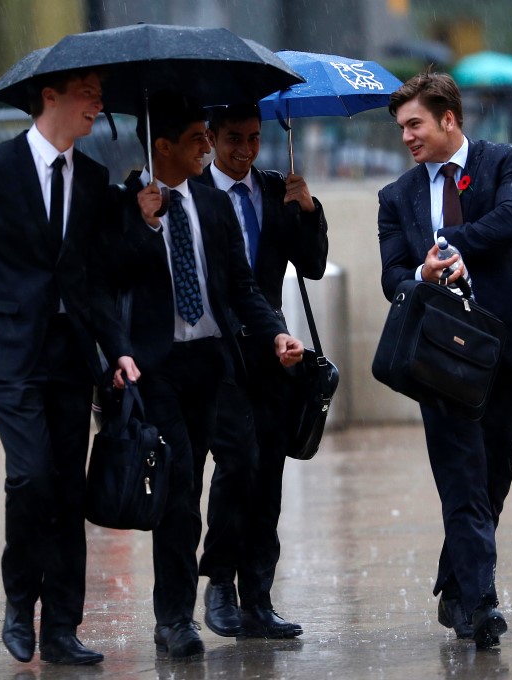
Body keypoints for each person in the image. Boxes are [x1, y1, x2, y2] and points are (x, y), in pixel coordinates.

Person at [0, 68, 136, 665]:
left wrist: (116, 347)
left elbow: (91, 280)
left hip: (71, 355)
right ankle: (20, 605)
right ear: (50, 97)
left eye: (100, 95)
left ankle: (63, 628)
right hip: (7, 353)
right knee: (32, 477)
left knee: (69, 490)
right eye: (88, 94)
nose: (98, 104)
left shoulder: (92, 178)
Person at [376, 69, 512, 649]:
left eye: (415, 124)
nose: (407, 137)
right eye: (401, 128)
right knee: (460, 476)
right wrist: (422, 273)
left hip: (504, 343)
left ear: (448, 118)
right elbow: (391, 272)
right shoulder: (397, 196)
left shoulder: (504, 161)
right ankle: (480, 603)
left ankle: (457, 584)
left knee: (494, 473)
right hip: (435, 354)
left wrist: (454, 246)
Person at [102, 91, 305, 659]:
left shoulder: (211, 204)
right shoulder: (124, 204)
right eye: (197, 139)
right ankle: (174, 618)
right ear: (161, 146)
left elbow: (241, 286)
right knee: (180, 489)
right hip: (159, 367)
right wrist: (142, 226)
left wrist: (275, 334)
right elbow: (105, 281)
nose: (207, 147)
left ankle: (220, 575)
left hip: (216, 360)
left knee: (245, 461)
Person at [193, 103, 328, 639]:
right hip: (217, 351)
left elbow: (313, 264)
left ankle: (259, 596)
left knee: (268, 471)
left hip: (275, 352)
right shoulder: (194, 193)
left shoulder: (276, 189)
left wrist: (308, 210)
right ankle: (219, 581)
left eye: (253, 138)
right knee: (236, 463)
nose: (245, 151)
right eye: (233, 139)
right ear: (211, 137)